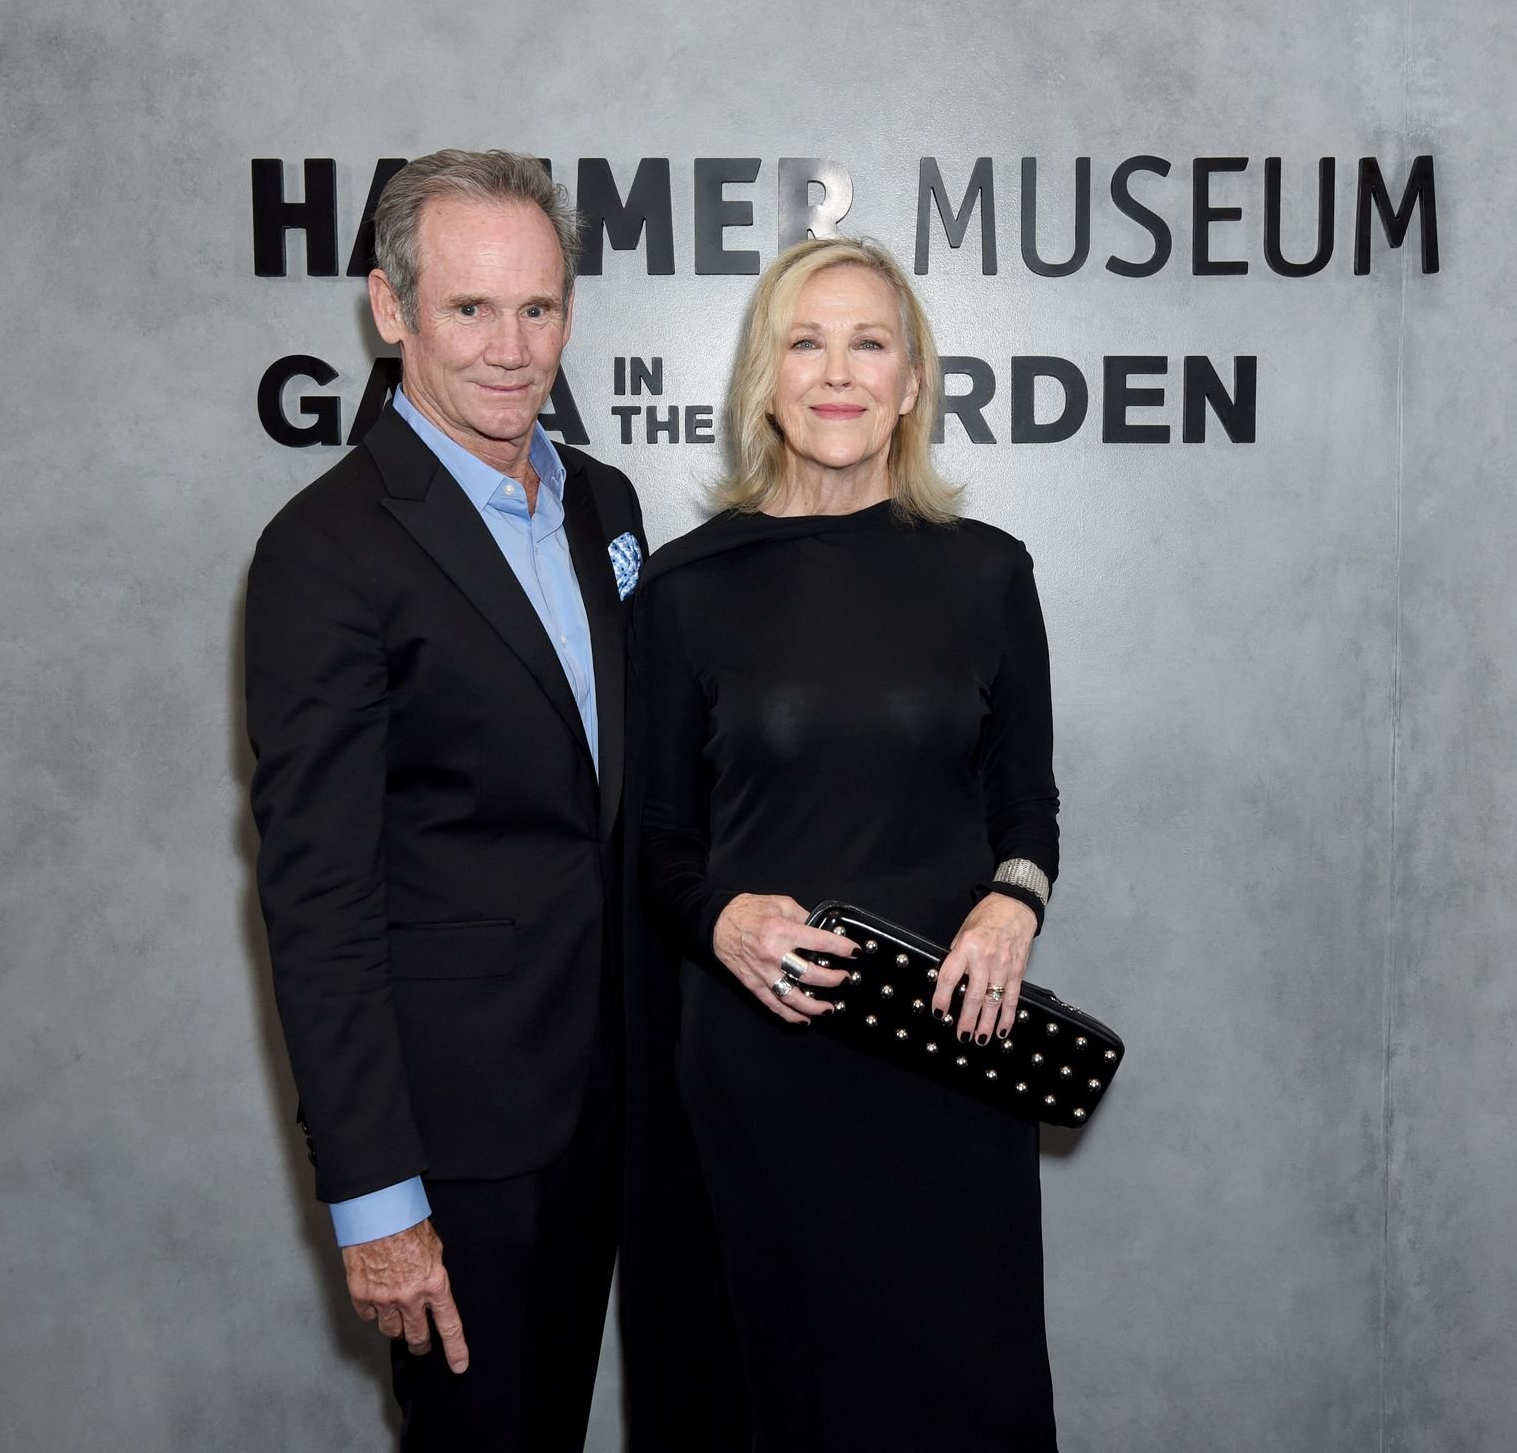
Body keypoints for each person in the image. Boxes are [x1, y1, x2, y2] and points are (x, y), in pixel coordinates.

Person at [243, 149, 644, 1451]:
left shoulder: (605, 503)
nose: (512, 348)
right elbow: (318, 900)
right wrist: (375, 1203)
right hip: (458, 1146)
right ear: (390, 308)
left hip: (615, 1104)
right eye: (471, 309)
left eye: (538, 308)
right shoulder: (326, 552)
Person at [637, 236, 1063, 1452]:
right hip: (761, 1067)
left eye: (868, 342)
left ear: (912, 380)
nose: (837, 373)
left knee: (956, 1397)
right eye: (804, 342)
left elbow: (1024, 804)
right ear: (764, 378)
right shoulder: (682, 590)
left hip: (946, 1057)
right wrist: (720, 920)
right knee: (782, 1398)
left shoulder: (986, 574)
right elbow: (657, 842)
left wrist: (1009, 904)